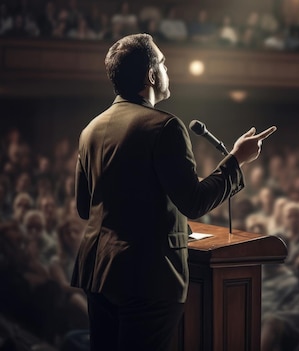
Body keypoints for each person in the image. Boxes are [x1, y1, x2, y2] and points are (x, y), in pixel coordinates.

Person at [71, 34, 276, 351]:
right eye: (163, 63)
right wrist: (237, 159)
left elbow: (86, 208)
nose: (168, 69)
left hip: (99, 272)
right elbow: (194, 202)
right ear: (152, 76)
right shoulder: (164, 126)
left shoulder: (91, 129)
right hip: (147, 277)